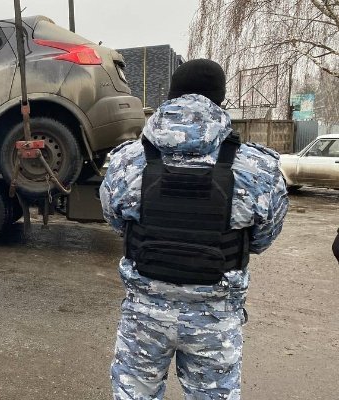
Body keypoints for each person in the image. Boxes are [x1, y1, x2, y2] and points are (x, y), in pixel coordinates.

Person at [100, 59, 289, 399]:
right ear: (221, 100)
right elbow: (261, 239)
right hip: (215, 319)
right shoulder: (258, 167)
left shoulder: (126, 161)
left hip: (145, 316)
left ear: (169, 97)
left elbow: (116, 222)